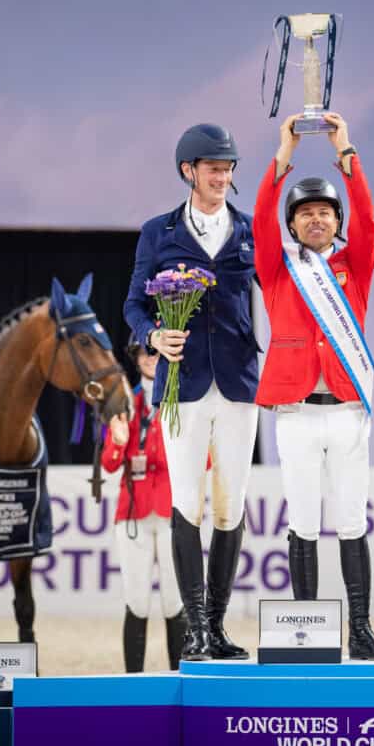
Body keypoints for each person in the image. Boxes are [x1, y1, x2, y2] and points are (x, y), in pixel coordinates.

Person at [252, 112, 374, 660]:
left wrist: (347, 152)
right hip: (296, 413)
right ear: (293, 224)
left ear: (337, 222)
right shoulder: (277, 268)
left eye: (326, 212)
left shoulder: (355, 266)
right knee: (303, 521)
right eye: (306, 213)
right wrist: (282, 156)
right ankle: (305, 634)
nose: (316, 219)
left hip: (345, 410)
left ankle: (360, 630)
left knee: (353, 520)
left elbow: (373, 223)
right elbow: (262, 216)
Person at [123, 124, 259, 661]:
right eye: (213, 169)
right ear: (189, 172)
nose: (223, 177)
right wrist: (154, 335)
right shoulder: (157, 232)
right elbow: (133, 303)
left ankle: (219, 627)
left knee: (231, 507)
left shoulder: (249, 229)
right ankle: (197, 631)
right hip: (181, 385)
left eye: (228, 168)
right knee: (188, 504)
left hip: (239, 383)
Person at [101, 342, 185, 672]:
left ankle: (180, 678)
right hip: (133, 514)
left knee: (173, 601)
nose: (151, 359)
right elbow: (109, 464)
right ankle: (133, 681)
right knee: (136, 600)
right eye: (145, 353)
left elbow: (202, 460)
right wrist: (119, 442)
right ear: (136, 359)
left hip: (171, 512)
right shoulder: (125, 405)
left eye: (156, 353)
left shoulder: (181, 403)